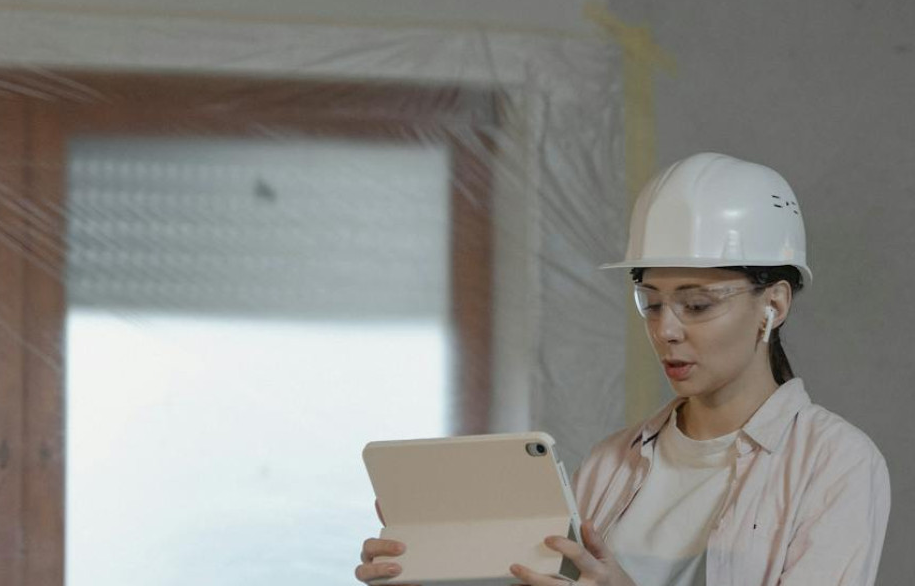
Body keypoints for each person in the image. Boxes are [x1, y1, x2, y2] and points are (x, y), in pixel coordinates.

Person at [355, 153, 890, 585]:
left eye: (697, 304)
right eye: (651, 303)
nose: (666, 329)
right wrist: (437, 572)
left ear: (773, 304)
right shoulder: (609, 464)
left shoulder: (834, 463)